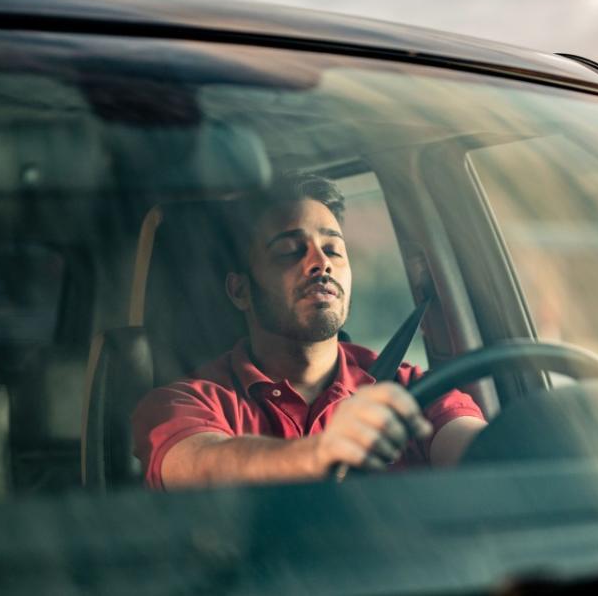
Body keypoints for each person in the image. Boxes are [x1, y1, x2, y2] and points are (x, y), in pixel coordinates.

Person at [131, 173, 486, 490]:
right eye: (288, 250)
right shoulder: (183, 403)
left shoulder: (412, 392)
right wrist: (321, 454)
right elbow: (200, 465)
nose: (321, 262)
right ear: (240, 290)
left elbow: (484, 453)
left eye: (333, 249)